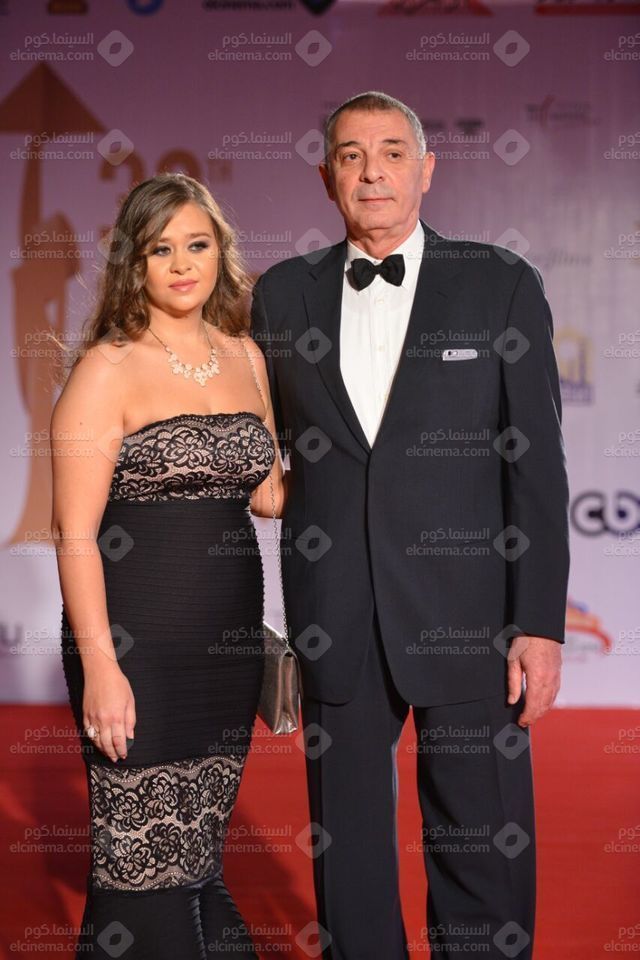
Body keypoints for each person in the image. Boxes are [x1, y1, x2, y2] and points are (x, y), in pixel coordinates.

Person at [251, 91, 569, 959]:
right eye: (351, 156)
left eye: (393, 152)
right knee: (348, 853)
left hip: (472, 613)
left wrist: (539, 624)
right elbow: (257, 449)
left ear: (428, 169)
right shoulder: (281, 296)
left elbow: (537, 470)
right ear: (326, 177)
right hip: (336, 614)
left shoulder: (500, 283)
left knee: (481, 843)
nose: (373, 172)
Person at [51, 172, 284, 958]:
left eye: (198, 244)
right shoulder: (106, 369)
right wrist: (101, 666)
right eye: (161, 249)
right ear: (133, 262)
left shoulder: (247, 356)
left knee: (194, 857)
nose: (183, 264)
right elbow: (74, 534)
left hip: (225, 647)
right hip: (135, 646)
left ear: (221, 252)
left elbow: (269, 495)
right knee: (140, 864)